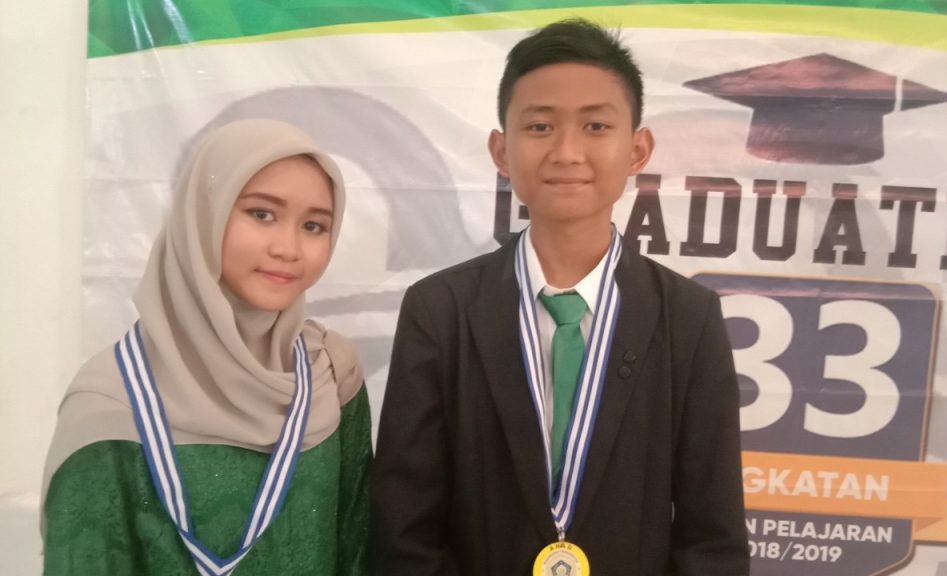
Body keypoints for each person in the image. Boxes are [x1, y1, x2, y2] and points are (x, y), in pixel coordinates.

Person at [373, 18, 749, 575]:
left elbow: (712, 539)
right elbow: (405, 528)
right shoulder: (441, 310)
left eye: (596, 126)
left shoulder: (688, 318)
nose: (567, 151)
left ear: (637, 149)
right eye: (540, 126)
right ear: (501, 150)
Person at [42, 119, 371, 575]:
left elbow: (357, 549)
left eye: (314, 226)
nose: (289, 248)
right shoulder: (110, 400)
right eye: (262, 214)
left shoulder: (330, 371)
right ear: (202, 216)